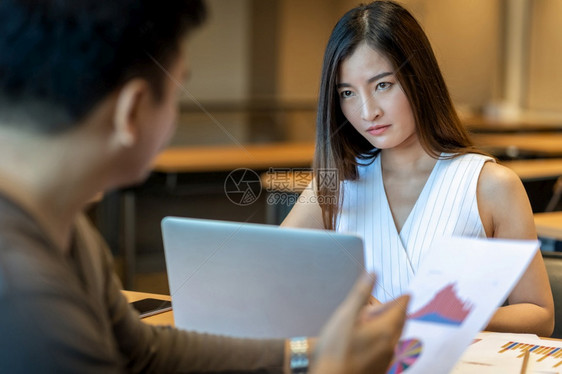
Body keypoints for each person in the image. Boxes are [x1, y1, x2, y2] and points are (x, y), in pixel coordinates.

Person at [0, 0, 410, 372]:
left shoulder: (66, 233)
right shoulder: (26, 299)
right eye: (178, 92)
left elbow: (145, 352)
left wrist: (309, 356)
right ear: (134, 110)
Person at [282, 0, 554, 337]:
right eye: (348, 93)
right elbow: (273, 270)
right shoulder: (335, 186)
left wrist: (421, 318)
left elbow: (540, 315)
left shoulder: (490, 186)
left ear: (419, 79)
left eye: (383, 85)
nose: (368, 112)